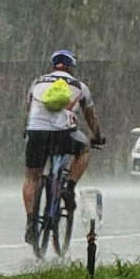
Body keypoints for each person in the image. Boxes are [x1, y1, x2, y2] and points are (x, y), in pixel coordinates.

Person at [22, 50, 104, 244]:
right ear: (71, 68)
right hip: (63, 135)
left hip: (36, 132)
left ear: (53, 66)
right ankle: (69, 187)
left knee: (32, 177)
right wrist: (97, 136)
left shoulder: (37, 83)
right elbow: (90, 116)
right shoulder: (79, 87)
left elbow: (28, 109)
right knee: (83, 149)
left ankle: (31, 222)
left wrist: (28, 130)